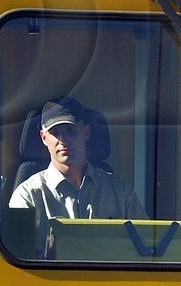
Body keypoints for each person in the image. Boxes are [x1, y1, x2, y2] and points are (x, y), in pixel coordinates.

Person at [8, 98, 145, 253]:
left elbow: (144, 248)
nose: (63, 140)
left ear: (86, 132)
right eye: (55, 133)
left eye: (70, 131)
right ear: (43, 138)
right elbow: (17, 259)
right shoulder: (27, 195)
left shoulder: (120, 193)